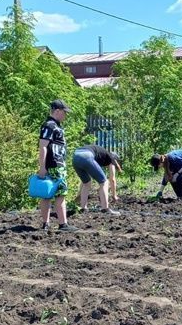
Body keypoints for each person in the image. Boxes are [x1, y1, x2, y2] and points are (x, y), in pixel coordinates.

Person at [38, 99, 77, 232]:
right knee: (60, 194)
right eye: (64, 112)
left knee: (47, 194)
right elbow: (43, 146)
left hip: (56, 164)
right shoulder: (49, 125)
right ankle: (62, 224)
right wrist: (42, 167)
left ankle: (46, 223)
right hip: (55, 164)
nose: (65, 115)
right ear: (58, 111)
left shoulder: (55, 125)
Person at [72, 144, 122, 215]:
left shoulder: (100, 155)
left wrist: (79, 194)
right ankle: (105, 209)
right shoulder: (111, 158)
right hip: (87, 156)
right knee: (104, 182)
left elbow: (85, 180)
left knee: (87, 183)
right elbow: (112, 179)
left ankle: (83, 208)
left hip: (75, 157)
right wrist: (114, 196)